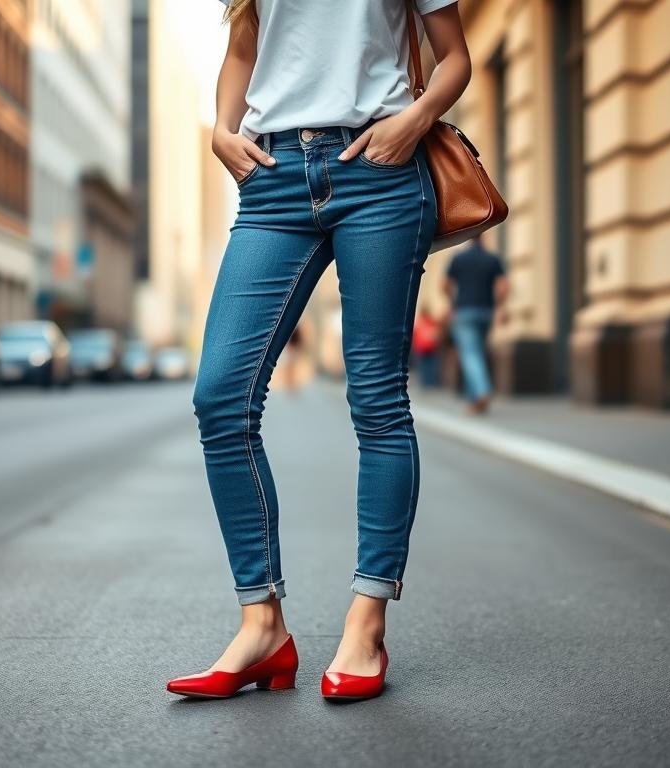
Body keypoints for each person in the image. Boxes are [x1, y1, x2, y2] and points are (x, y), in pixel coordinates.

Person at [166, 0, 471, 702]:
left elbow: (456, 57)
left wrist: (413, 120)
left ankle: (367, 624)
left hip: (381, 171)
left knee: (376, 401)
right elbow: (245, 45)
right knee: (220, 397)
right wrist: (220, 127)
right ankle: (262, 624)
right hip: (273, 179)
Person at [444, 234, 509, 414]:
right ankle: (475, 401)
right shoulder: (492, 259)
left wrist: (452, 302)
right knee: (478, 352)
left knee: (470, 355)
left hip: (464, 311)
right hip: (486, 312)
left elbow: (445, 285)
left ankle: (481, 392)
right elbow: (504, 286)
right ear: (483, 238)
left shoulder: (458, 258)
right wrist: (499, 306)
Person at [411, 309, 443, 388]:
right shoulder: (432, 322)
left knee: (423, 364)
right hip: (430, 345)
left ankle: (425, 381)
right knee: (431, 363)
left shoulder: (420, 321)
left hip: (421, 347)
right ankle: (431, 381)